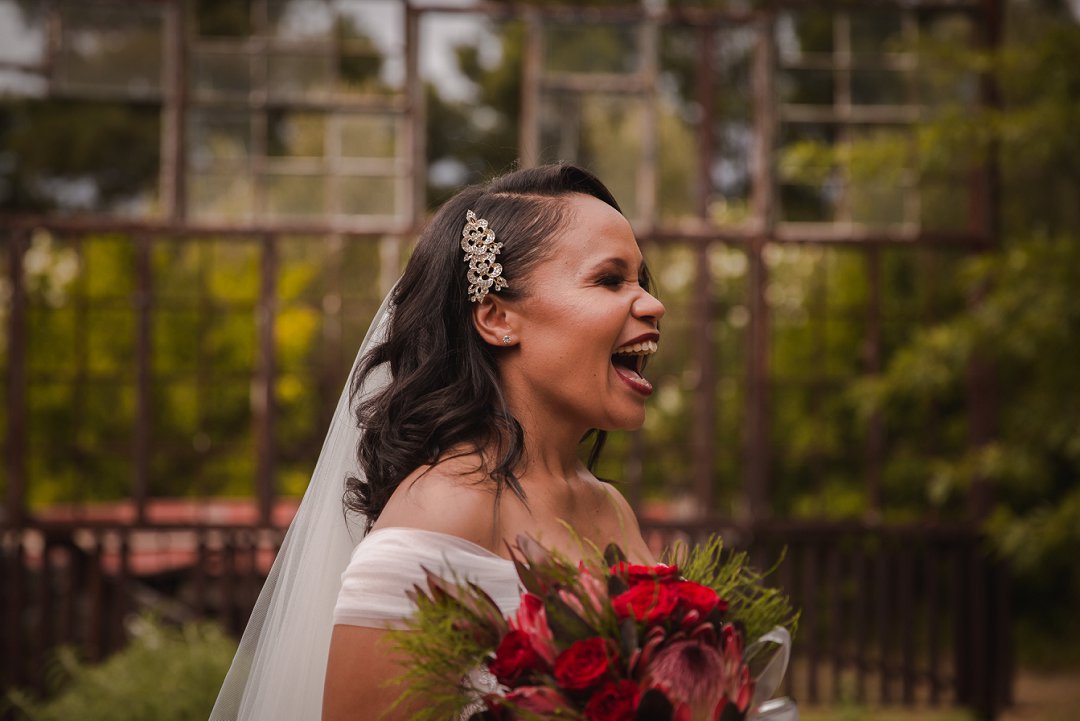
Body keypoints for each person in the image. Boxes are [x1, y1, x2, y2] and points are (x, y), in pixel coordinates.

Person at [209, 164, 665, 721]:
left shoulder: (609, 507)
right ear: (497, 317)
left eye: (640, 281)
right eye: (611, 280)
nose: (651, 304)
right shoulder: (444, 511)